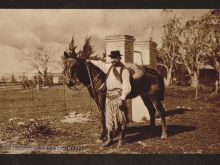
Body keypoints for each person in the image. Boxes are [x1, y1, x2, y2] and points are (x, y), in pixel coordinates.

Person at [89, 50, 131, 147]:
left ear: (119, 58)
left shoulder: (124, 71)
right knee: (109, 119)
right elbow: (100, 63)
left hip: (118, 96)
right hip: (109, 96)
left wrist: (122, 98)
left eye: (115, 57)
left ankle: (122, 139)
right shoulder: (108, 67)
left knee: (121, 119)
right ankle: (110, 139)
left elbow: (126, 86)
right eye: (112, 58)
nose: (113, 59)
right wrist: (89, 60)